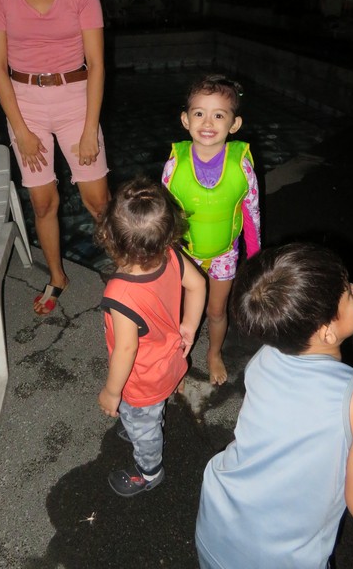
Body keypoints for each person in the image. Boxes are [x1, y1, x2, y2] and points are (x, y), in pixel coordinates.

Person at [195, 242, 353, 569]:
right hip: (276, 559)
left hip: (216, 528)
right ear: (327, 333)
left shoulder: (266, 356)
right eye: (347, 293)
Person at [0, 0, 110, 315]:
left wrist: (89, 129)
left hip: (76, 99)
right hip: (24, 103)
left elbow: (97, 64)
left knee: (98, 201)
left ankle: (128, 270)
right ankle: (57, 276)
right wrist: (21, 130)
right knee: (43, 201)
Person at [95, 176, 206, 496]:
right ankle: (141, 421)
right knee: (148, 412)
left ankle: (149, 471)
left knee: (144, 426)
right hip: (171, 361)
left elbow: (126, 350)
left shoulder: (120, 294)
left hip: (143, 381)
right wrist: (188, 326)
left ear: (109, 236)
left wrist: (112, 392)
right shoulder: (170, 254)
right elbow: (198, 284)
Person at [162, 74, 261, 385]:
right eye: (199, 113)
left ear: (234, 124)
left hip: (224, 254)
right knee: (178, 312)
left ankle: (214, 352)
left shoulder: (242, 166)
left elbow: (252, 214)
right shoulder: (174, 165)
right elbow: (163, 215)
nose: (207, 122)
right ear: (185, 120)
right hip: (183, 254)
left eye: (219, 115)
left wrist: (254, 259)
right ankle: (175, 360)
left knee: (216, 311)